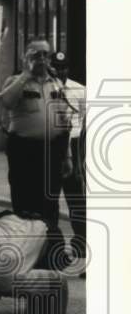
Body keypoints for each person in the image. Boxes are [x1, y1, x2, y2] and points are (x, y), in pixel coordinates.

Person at [0, 39, 73, 265]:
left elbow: (64, 121)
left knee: (49, 203)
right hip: (24, 151)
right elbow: (7, 101)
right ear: (26, 58)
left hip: (53, 151)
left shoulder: (56, 84)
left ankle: (49, 255)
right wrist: (26, 76)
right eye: (36, 55)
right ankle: (25, 254)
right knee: (24, 204)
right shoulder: (15, 81)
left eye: (45, 55)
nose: (42, 59)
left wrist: (67, 156)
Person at [51, 51, 86, 261]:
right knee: (51, 199)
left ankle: (80, 244)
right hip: (54, 145)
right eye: (56, 67)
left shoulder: (80, 90)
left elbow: (85, 122)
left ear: (68, 69)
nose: (61, 71)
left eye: (64, 67)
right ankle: (53, 246)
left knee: (76, 200)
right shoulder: (46, 88)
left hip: (73, 143)